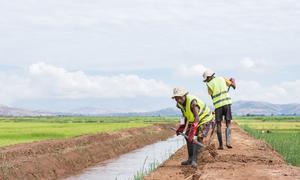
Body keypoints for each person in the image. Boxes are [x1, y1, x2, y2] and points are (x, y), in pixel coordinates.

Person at [172, 87, 214, 168]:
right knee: (187, 136)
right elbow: (184, 116)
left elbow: (197, 117)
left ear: (184, 95)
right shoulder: (179, 104)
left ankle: (195, 160)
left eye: (180, 97)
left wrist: (193, 131)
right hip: (194, 119)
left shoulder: (192, 103)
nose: (178, 100)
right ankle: (190, 158)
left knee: (199, 137)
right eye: (176, 98)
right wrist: (181, 127)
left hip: (205, 118)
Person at [202, 69, 236, 150]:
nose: (207, 81)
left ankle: (221, 145)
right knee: (228, 123)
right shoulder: (222, 78)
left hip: (218, 106)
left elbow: (212, 96)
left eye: (207, 79)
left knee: (219, 125)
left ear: (208, 77)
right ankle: (228, 142)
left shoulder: (209, 85)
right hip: (227, 103)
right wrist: (233, 81)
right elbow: (234, 86)